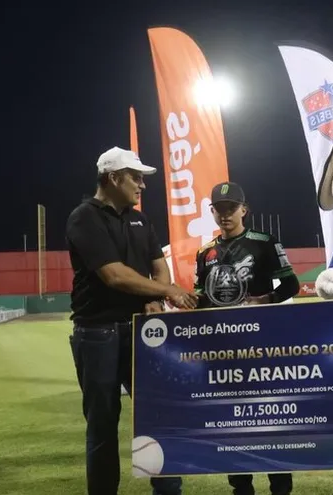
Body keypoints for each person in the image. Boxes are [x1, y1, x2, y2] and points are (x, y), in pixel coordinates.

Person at [65, 146, 198, 495]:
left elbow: (159, 265)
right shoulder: (84, 217)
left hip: (142, 331)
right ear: (113, 178)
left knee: (159, 413)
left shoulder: (141, 219)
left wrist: (155, 297)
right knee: (103, 424)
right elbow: (115, 275)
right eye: (136, 178)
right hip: (98, 333)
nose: (142, 185)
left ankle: (167, 491)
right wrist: (167, 291)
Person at [194, 181, 300, 495]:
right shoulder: (205, 252)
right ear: (212, 211)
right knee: (230, 420)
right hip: (223, 348)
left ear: (244, 210)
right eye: (219, 209)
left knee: (271, 416)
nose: (225, 214)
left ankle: (280, 486)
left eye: (231, 208)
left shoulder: (264, 243)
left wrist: (262, 300)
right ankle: (241, 487)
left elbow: (291, 285)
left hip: (263, 344)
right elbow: (202, 298)